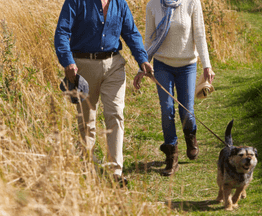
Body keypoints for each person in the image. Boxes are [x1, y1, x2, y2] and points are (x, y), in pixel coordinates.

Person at [54, 0, 154, 184]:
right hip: (82, 66)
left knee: (115, 113)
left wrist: (142, 59)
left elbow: (131, 33)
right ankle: (88, 167)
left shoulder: (120, 4)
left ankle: (116, 171)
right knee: (87, 120)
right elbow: (62, 31)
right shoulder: (76, 2)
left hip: (114, 65)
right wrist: (67, 61)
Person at [133, 0, 214, 176]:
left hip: (187, 65)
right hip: (162, 65)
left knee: (186, 111)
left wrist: (207, 65)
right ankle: (172, 157)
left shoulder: (192, 2)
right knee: (167, 109)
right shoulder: (152, 5)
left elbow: (199, 35)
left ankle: (190, 135)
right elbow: (149, 39)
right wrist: (142, 68)